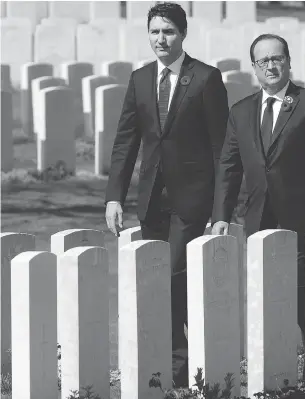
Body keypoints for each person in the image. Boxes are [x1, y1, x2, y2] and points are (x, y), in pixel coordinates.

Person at [105, 1, 229, 383]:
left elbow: (222, 149)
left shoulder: (206, 78)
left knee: (175, 274)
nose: (161, 38)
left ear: (183, 34)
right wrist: (114, 196)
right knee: (158, 278)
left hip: (192, 201)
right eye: (155, 31)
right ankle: (181, 360)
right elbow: (126, 141)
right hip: (151, 200)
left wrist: (221, 210)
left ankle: (182, 364)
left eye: (169, 31)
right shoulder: (141, 79)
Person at [211, 33, 305, 374]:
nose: (270, 65)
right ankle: (271, 370)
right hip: (258, 219)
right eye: (263, 61)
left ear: (288, 61)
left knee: (302, 298)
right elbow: (228, 166)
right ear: (254, 67)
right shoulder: (241, 111)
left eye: (276, 58)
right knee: (265, 298)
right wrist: (221, 215)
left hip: (302, 219)